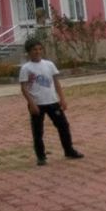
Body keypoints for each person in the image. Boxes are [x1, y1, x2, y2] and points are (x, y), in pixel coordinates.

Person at [19, 38, 83, 166]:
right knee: (38, 131)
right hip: (37, 104)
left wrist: (62, 99)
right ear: (29, 52)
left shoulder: (49, 64)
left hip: (52, 101)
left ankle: (69, 150)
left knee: (63, 126)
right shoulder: (26, 68)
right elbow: (24, 88)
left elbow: (56, 83)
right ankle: (41, 156)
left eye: (39, 49)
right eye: (34, 50)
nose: (37, 52)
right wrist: (32, 104)